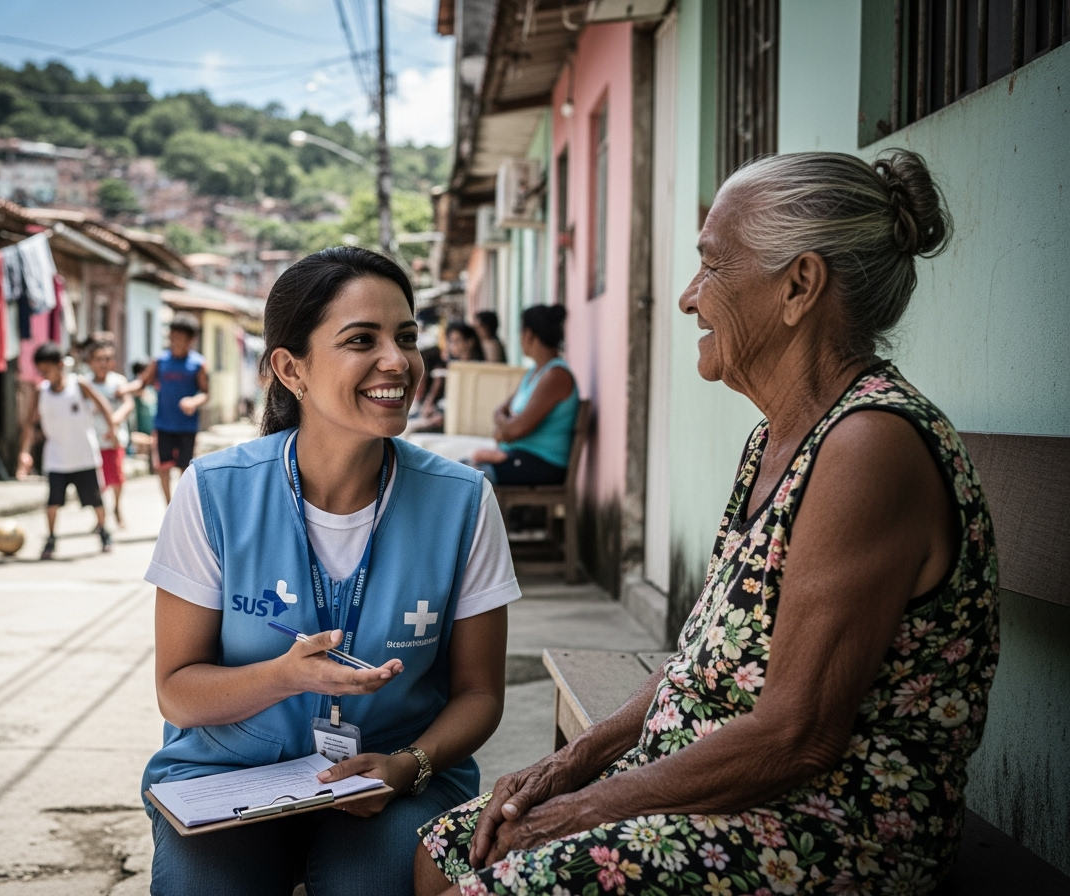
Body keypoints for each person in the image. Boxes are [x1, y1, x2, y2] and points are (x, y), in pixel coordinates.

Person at [415, 150, 1000, 896]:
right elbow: (704, 658)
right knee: (442, 852)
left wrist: (579, 811)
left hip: (822, 823)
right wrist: (571, 760)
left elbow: (798, 733)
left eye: (713, 267)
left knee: (490, 879)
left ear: (799, 286)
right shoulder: (778, 436)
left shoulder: (868, 445)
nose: (690, 298)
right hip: (720, 777)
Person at [141, 247, 520, 895]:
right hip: (232, 776)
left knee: (375, 884)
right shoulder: (213, 491)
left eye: (406, 337)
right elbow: (177, 689)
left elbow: (480, 693)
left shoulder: (462, 501)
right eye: (360, 340)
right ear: (292, 369)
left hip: (392, 778)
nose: (398, 360)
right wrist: (283, 677)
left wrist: (409, 765)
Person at [17, 342, 120, 560]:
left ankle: (103, 530)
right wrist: (25, 452)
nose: (45, 374)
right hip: (56, 457)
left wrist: (112, 428)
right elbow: (29, 423)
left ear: (60, 365)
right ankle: (51, 537)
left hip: (84, 456)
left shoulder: (78, 385)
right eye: (41, 370)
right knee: (53, 502)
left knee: (95, 500)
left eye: (48, 369)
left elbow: (102, 405)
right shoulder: (41, 392)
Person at [469, 305, 578, 486]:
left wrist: (505, 429)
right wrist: (507, 426)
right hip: (519, 457)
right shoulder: (534, 373)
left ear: (528, 334)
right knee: (459, 470)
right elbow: (501, 410)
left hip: (542, 463)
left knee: (465, 480)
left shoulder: (555, 375)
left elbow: (515, 429)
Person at [121, 313, 209, 504]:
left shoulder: (198, 364)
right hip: (163, 425)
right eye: (173, 337)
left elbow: (205, 393)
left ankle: (183, 506)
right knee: (162, 468)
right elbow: (142, 382)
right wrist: (124, 389)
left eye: (182, 339)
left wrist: (193, 402)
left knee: (185, 470)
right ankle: (169, 506)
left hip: (187, 427)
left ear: (191, 340)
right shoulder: (160, 361)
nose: (176, 342)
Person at [87, 340, 135, 528]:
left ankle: (117, 508)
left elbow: (128, 403)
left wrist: (114, 421)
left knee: (117, 478)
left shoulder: (118, 382)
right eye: (98, 359)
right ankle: (101, 516)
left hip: (114, 440)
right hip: (92, 440)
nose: (103, 363)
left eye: (107, 359)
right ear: (90, 362)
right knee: (97, 482)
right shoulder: (85, 383)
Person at [408, 321, 486, 434]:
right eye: (451, 341)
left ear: (470, 342)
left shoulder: (477, 371)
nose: (453, 346)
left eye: (457, 341)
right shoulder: (451, 367)